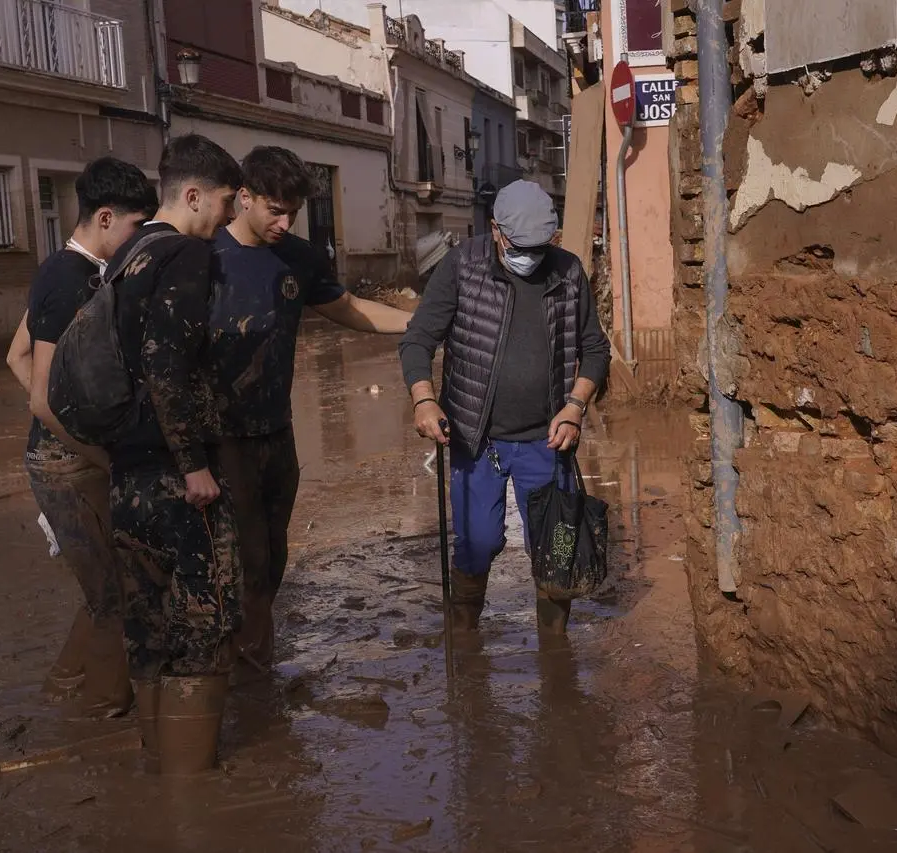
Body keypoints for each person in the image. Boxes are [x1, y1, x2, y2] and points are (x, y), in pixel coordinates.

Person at [211, 146, 413, 669]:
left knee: (274, 552)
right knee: (242, 555)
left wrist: (418, 325)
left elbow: (346, 309)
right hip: (219, 434)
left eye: (293, 213)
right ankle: (238, 663)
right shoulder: (203, 255)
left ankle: (253, 655)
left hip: (277, 429)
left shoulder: (299, 257)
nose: (284, 222)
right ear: (244, 198)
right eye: (274, 210)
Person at [399, 180, 611, 635]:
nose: (531, 257)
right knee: (477, 544)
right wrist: (423, 400)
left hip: (546, 439)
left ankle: (555, 657)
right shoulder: (462, 267)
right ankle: (465, 637)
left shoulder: (568, 272)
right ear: (496, 230)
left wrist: (575, 406)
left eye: (541, 247)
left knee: (555, 547)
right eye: (521, 247)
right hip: (477, 440)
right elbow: (418, 339)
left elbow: (595, 350)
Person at [105, 134, 242, 775]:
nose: (226, 219)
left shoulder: (126, 254)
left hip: (125, 473)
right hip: (173, 474)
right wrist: (193, 465)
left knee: (148, 624)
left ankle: (157, 776)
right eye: (223, 203)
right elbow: (168, 363)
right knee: (205, 620)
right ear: (192, 196)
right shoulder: (186, 254)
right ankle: (193, 798)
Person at [6, 157, 158, 717]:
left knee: (106, 582)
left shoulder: (62, 270)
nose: (139, 240)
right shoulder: (72, 281)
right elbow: (42, 399)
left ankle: (67, 683)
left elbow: (15, 355)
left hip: (66, 455)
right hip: (68, 466)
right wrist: (104, 456)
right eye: (135, 228)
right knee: (114, 594)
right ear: (104, 216)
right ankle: (100, 711)